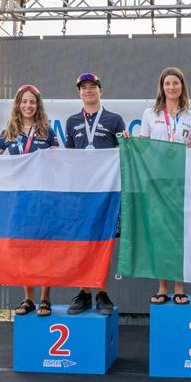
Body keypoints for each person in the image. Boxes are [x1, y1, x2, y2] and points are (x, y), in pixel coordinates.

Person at [0, 83, 59, 317]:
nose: (28, 106)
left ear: (37, 105)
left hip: (43, 199)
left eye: (32, 102)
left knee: (45, 249)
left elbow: (61, 161)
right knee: (24, 250)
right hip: (19, 200)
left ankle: (45, 299)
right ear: (18, 105)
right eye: (24, 101)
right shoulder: (9, 131)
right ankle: (29, 298)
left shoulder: (47, 132)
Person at [65, 72, 127, 315]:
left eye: (93, 87)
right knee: (83, 243)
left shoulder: (115, 120)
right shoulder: (71, 121)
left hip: (107, 192)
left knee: (104, 243)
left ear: (101, 91)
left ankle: (101, 292)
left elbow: (124, 153)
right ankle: (84, 293)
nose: (88, 91)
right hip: (83, 193)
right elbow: (69, 157)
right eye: (84, 88)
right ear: (79, 93)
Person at [140, 67, 191, 305]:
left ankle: (179, 286)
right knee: (160, 235)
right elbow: (143, 147)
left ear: (182, 87)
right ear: (161, 88)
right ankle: (162, 286)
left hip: (182, 182)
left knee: (178, 235)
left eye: (176, 83)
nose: (172, 87)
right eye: (167, 84)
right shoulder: (149, 114)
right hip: (157, 182)